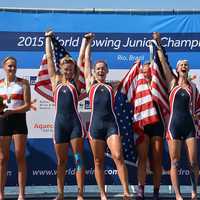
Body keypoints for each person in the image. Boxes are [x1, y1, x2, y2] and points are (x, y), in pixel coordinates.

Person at [83, 33, 131, 200]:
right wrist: (88, 43)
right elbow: (86, 62)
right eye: (98, 69)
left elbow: (129, 80)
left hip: (111, 126)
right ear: (94, 72)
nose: (100, 70)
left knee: (118, 156)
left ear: (107, 71)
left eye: (103, 68)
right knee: (98, 161)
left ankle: (126, 191)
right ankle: (102, 194)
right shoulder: (90, 83)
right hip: (95, 127)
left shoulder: (112, 86)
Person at [154, 32, 199, 200]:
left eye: (187, 65)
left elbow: (198, 109)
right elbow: (164, 63)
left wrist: (197, 117)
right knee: (175, 161)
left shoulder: (193, 87)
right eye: (182, 64)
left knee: (194, 162)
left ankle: (194, 191)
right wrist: (158, 44)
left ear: (188, 69)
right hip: (174, 126)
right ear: (178, 68)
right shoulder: (172, 83)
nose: (184, 66)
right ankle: (178, 194)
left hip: (189, 127)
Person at [45, 31, 85, 200]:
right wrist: (47, 39)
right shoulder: (55, 80)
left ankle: (80, 193)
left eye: (71, 69)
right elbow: (49, 58)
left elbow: (82, 58)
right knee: (61, 162)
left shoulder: (76, 81)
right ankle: (60, 193)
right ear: (61, 69)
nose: (68, 71)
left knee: (78, 160)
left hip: (75, 126)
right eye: (66, 69)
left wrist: (84, 41)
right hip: (60, 126)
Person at [0, 56, 31, 200]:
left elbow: (27, 106)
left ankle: (21, 194)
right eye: (9, 66)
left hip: (18, 121)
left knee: (20, 157)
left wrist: (12, 111)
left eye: (14, 66)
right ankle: (1, 194)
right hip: (3, 122)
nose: (12, 68)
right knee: (2, 159)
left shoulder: (23, 83)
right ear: (4, 67)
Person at [136, 61, 164, 200]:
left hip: (158, 125)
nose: (146, 73)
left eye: (149, 71)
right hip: (143, 125)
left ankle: (156, 192)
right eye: (144, 71)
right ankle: (140, 189)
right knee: (142, 158)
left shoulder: (158, 85)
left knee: (157, 160)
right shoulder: (138, 85)